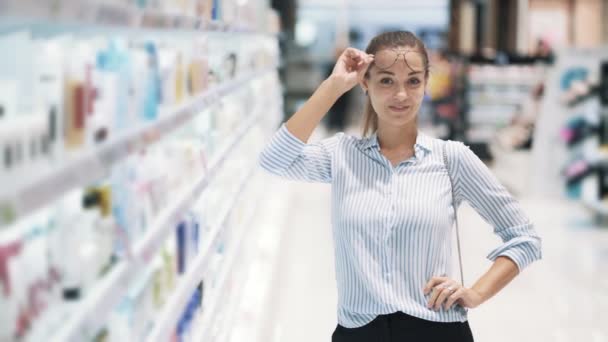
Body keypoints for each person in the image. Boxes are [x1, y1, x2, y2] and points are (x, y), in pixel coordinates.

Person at [259, 31, 542, 342]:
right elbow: (274, 159)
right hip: (359, 332)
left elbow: (524, 237)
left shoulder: (451, 159)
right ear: (365, 82)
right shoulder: (341, 155)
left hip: (436, 329)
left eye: (413, 81)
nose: (401, 95)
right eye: (386, 81)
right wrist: (333, 86)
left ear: (426, 84)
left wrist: (475, 293)